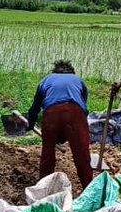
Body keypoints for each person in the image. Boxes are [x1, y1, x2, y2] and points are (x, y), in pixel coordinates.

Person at [26, 60, 93, 188]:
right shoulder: (78, 80)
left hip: (51, 114)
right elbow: (83, 104)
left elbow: (35, 107)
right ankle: (89, 189)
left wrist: (30, 124)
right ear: (71, 72)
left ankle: (43, 190)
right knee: (82, 155)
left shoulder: (46, 80)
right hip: (75, 114)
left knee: (47, 154)